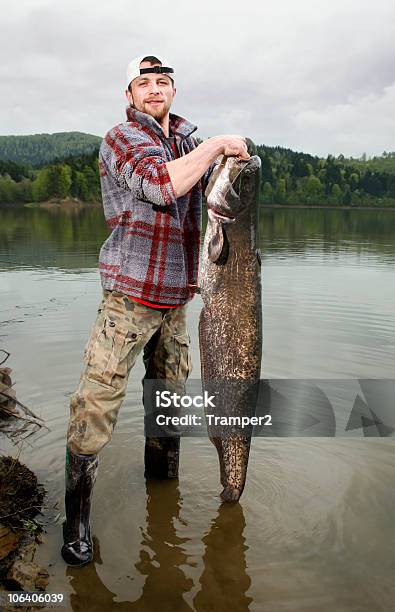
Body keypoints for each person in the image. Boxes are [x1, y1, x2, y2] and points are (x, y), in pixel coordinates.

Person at [61, 53, 250, 567]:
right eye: (142, 83)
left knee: (167, 403)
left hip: (178, 301)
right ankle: (76, 518)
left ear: (173, 91)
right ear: (129, 94)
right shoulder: (121, 139)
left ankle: (161, 486)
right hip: (129, 296)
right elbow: (161, 185)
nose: (153, 90)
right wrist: (216, 145)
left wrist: (237, 161)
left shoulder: (189, 142)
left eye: (162, 82)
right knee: (95, 403)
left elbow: (219, 189)